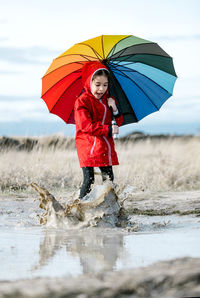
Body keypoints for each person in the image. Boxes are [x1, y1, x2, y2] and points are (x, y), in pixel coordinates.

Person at [74, 61, 123, 199]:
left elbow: (117, 122)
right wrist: (108, 129)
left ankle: (108, 207)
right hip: (87, 145)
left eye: (105, 85)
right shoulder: (82, 101)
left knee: (109, 180)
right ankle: (81, 207)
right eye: (97, 85)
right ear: (89, 82)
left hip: (104, 146)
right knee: (89, 179)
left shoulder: (109, 99)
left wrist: (114, 108)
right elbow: (86, 125)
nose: (101, 89)